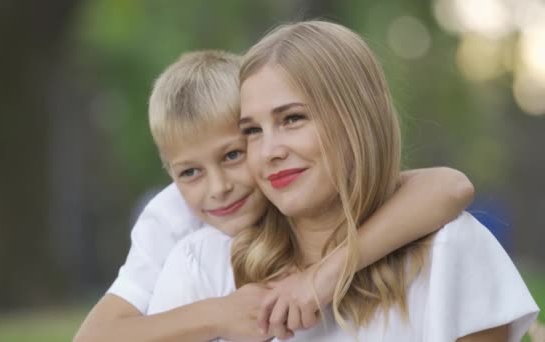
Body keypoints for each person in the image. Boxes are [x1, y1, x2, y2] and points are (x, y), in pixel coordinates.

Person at [147, 22, 539, 341]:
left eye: (292, 119)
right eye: (252, 131)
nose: (270, 151)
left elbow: (451, 186)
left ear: (356, 120)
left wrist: (324, 276)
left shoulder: (449, 251)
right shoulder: (204, 264)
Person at [75, 50, 475, 342]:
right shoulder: (175, 219)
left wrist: (322, 275)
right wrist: (219, 315)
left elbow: (450, 186)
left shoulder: (305, 189)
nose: (218, 188)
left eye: (233, 155)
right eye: (190, 172)